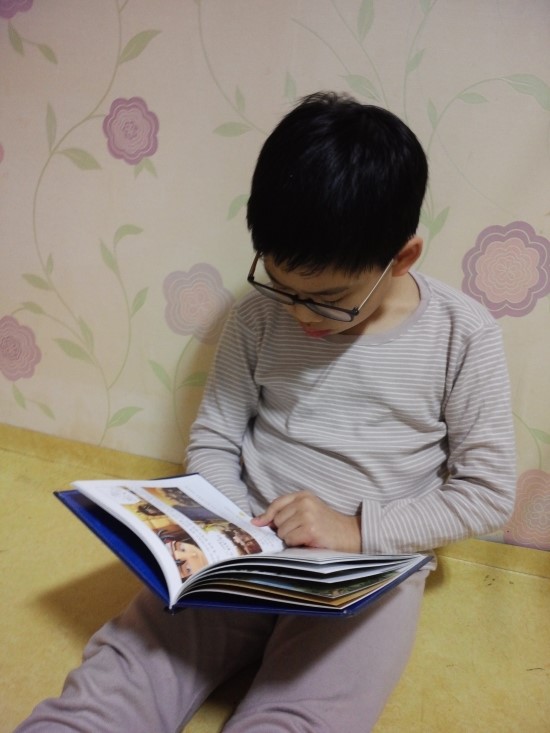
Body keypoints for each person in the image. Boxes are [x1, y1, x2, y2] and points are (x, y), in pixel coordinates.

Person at [15, 91, 516, 733]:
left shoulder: (462, 334)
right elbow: (215, 438)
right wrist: (232, 526)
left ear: (402, 258)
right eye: (281, 286)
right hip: (241, 548)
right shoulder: (258, 316)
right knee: (126, 671)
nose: (299, 314)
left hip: (365, 570)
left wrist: (355, 531)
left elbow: (486, 495)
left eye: (328, 298)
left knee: (308, 713)